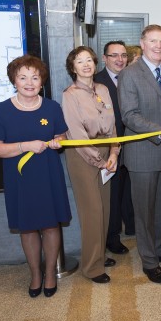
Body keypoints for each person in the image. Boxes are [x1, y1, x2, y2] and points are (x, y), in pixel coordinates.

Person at [0, 55, 70, 298]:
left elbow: (63, 137)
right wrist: (25, 146)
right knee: (28, 228)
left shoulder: (52, 107)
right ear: (14, 81)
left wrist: (58, 142)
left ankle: (51, 273)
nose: (29, 82)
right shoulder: (2, 110)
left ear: (42, 81)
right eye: (23, 77)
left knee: (51, 224)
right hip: (19, 178)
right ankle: (35, 274)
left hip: (48, 174)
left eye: (35, 77)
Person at [118, 24, 161, 284]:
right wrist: (159, 132)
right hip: (143, 154)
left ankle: (158, 250)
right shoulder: (129, 74)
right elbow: (130, 115)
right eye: (153, 41)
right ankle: (149, 261)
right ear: (142, 43)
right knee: (144, 211)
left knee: (159, 210)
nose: (158, 46)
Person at [62, 46, 120, 284]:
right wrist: (99, 160)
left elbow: (113, 124)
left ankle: (98, 255)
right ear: (72, 67)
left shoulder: (104, 89)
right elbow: (76, 133)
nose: (86, 64)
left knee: (104, 209)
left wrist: (114, 152)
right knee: (92, 212)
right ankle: (92, 267)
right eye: (79, 61)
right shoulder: (70, 94)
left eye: (89, 60)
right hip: (83, 156)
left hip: (107, 153)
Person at [95, 41, 135, 254]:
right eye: (114, 56)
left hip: (134, 143)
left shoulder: (131, 77)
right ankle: (112, 236)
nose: (120, 60)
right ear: (104, 58)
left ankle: (131, 224)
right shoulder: (96, 83)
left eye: (123, 55)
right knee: (113, 192)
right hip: (110, 147)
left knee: (129, 190)